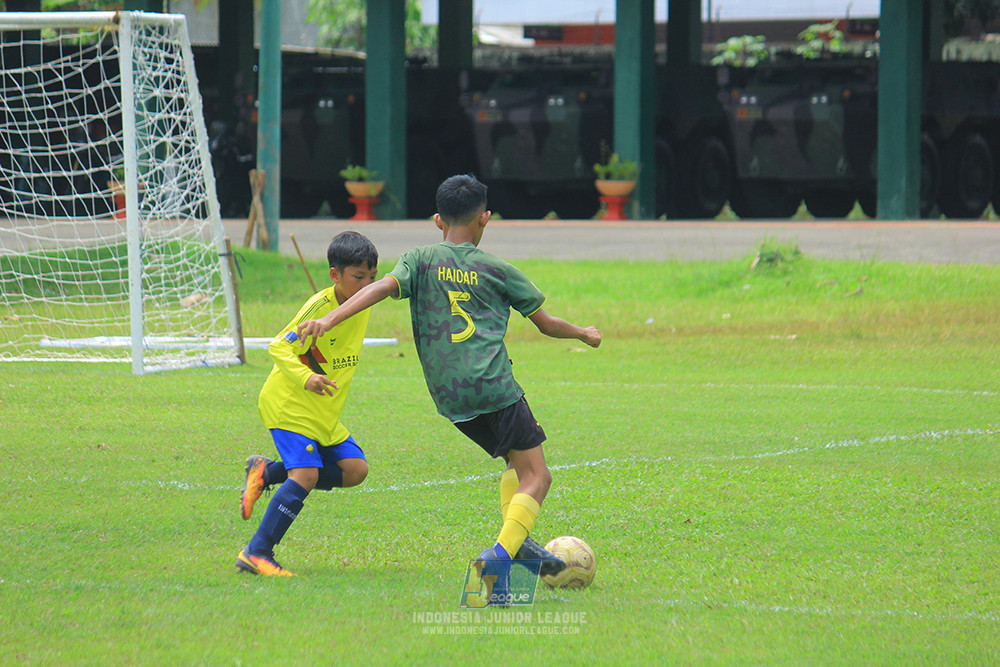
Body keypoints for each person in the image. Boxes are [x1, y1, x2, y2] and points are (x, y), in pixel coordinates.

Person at [296, 174, 602, 603]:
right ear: (485, 218)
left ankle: (517, 545)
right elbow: (547, 324)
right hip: (494, 386)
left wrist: (329, 318)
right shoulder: (499, 270)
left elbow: (381, 288)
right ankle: (499, 556)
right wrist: (583, 333)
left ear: (438, 220)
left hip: (450, 397)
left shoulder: (419, 259)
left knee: (515, 463)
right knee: (538, 475)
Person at [236, 231, 379, 577]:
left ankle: (267, 471)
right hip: (290, 405)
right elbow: (278, 345)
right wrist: (306, 377)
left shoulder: (363, 300)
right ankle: (257, 552)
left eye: (372, 277)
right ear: (335, 275)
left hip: (323, 413)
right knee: (306, 474)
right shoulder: (319, 307)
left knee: (355, 470)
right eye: (358, 277)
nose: (367, 286)